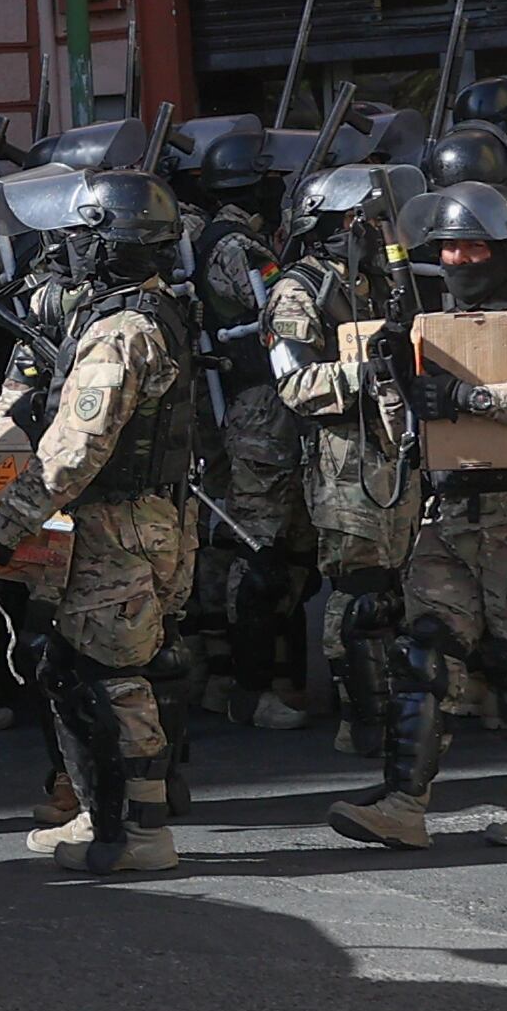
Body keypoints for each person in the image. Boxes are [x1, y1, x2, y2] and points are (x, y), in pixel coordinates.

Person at [327, 179, 507, 852]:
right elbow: (401, 429)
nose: (457, 263)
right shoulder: (433, 330)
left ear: (503, 252)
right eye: (446, 251)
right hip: (446, 512)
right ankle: (401, 803)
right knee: (426, 654)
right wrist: (390, 379)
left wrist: (474, 397)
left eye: (472, 249)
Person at [0, 169, 202, 876]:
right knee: (83, 669)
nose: (66, 250)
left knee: (112, 679)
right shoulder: (151, 311)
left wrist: (1, 526)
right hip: (146, 518)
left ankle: (140, 833)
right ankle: (101, 816)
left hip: (116, 529)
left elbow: (75, 450)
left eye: (80, 237)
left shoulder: (118, 332)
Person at [266, 163, 423, 760]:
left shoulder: (379, 279)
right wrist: (366, 370)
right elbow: (296, 383)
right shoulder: (299, 289)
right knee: (359, 589)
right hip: (344, 456)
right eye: (363, 220)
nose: (375, 231)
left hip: (394, 448)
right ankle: (361, 713)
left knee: (400, 583)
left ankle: (397, 702)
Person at [181, 124, 313, 730]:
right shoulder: (240, 246)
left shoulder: (211, 235)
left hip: (232, 404)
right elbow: (280, 310)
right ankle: (250, 686)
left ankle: (220, 673)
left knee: (230, 539)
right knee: (258, 546)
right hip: (257, 405)